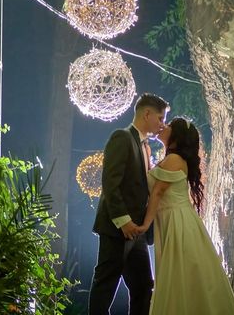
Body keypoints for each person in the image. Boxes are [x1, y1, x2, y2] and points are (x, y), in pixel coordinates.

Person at [140, 117, 234, 315]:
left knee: (179, 274)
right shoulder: (171, 158)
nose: (163, 126)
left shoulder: (174, 160)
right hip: (175, 218)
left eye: (168, 125)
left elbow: (158, 192)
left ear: (177, 136)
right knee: (180, 276)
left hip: (177, 221)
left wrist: (145, 225)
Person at [88, 93, 169, 315]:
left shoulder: (146, 147)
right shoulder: (122, 137)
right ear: (147, 114)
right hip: (117, 228)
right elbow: (110, 183)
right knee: (106, 284)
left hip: (138, 233)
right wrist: (123, 221)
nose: (162, 124)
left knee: (143, 286)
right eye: (160, 118)